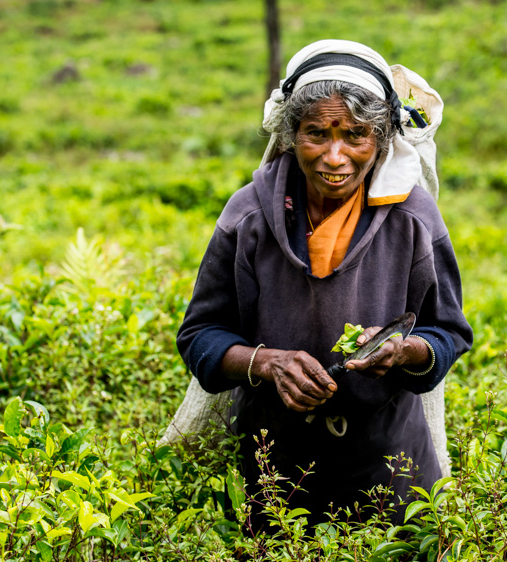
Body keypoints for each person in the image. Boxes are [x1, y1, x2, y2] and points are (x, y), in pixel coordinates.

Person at [176, 39, 472, 526]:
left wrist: (404, 352)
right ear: (292, 135)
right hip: (271, 471)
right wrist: (267, 363)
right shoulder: (247, 215)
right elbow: (200, 335)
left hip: (392, 470)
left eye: (355, 136)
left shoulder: (414, 218)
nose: (335, 157)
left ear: (379, 139)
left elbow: (449, 332)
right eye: (317, 133)